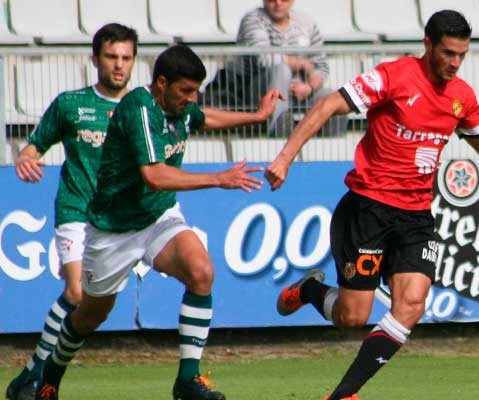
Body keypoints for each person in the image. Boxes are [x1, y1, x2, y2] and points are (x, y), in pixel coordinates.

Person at [265, 10, 479, 400]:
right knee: (353, 317)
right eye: (448, 53)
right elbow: (329, 104)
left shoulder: (461, 96)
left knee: (412, 305)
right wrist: (285, 157)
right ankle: (312, 290)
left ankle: (344, 394)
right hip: (368, 209)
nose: (454, 63)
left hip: (416, 216)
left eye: (461, 55)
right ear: (428, 44)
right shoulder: (394, 76)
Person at [32, 44, 282, 400]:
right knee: (90, 315)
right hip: (113, 229)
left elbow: (204, 117)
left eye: (195, 91)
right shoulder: (140, 108)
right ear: (161, 83)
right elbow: (153, 175)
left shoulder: (179, 106)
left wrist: (256, 118)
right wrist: (218, 178)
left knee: (201, 272)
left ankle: (187, 381)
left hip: (159, 217)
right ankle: (49, 377)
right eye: (185, 91)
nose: (191, 99)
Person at [5, 23, 139, 400]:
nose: (119, 65)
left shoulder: (141, 108)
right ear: (95, 59)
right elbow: (34, 146)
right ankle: (34, 378)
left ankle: (30, 375)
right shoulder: (70, 104)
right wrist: (25, 159)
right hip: (76, 210)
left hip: (120, 223)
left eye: (126, 58)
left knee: (95, 309)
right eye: (112, 57)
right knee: (76, 293)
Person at [237, 0, 347, 137]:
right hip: (260, 91)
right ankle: (277, 133)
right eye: (272, 0)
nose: (278, 3)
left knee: (334, 99)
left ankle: (333, 148)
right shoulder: (253, 19)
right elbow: (264, 59)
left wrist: (309, 87)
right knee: (281, 70)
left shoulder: (307, 22)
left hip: (302, 92)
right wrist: (300, 62)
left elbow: (321, 66)